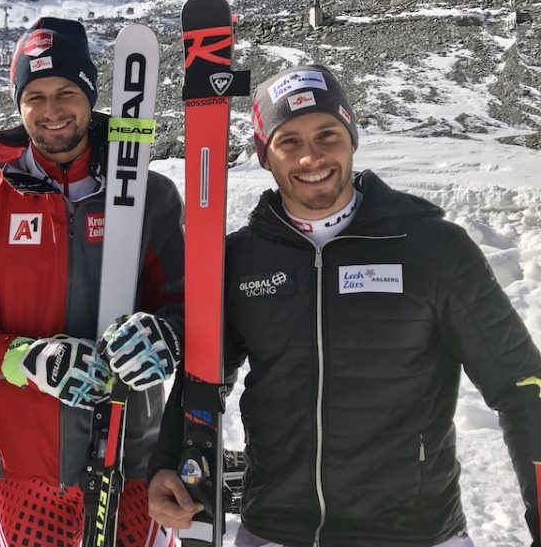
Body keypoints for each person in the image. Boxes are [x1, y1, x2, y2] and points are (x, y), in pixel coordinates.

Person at [147, 64, 541, 547]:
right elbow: (203, 382)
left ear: (351, 137)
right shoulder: (239, 259)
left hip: (413, 533)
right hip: (276, 528)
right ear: (265, 157)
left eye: (327, 134)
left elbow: (521, 387)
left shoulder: (433, 248)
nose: (311, 156)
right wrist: (168, 460)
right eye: (288, 140)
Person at [0, 17, 184, 547]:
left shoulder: (152, 196)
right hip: (26, 464)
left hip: (132, 452)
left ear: (90, 94)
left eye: (67, 92)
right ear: (19, 103)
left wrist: (167, 336)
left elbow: (185, 306)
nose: (52, 111)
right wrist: (25, 359)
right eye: (35, 96)